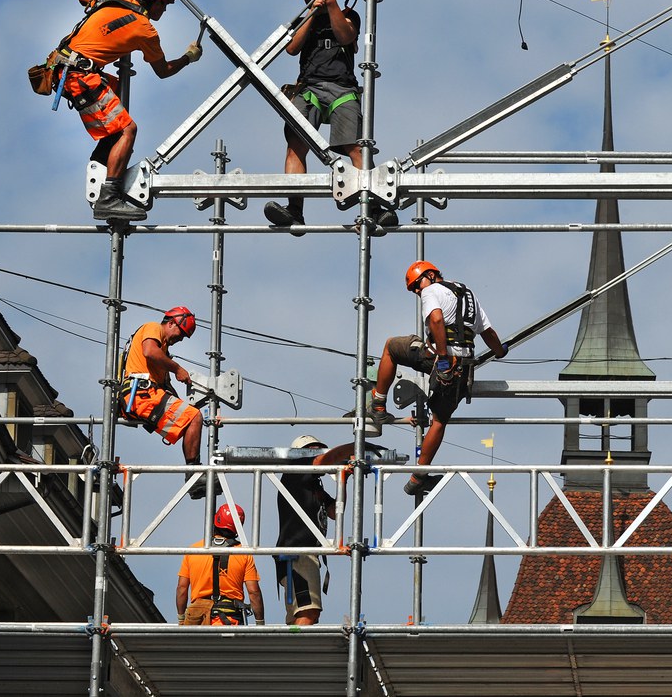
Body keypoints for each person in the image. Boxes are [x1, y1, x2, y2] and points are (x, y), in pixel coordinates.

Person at [50, 0, 202, 221]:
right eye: (164, 4)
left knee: (117, 91)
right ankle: (108, 197)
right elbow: (163, 71)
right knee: (128, 130)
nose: (163, 11)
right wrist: (189, 57)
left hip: (64, 67)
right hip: (79, 75)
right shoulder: (144, 29)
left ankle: (105, 160)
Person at [263, 0, 395, 235]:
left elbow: (346, 36)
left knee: (355, 148)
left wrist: (331, 2)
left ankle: (375, 207)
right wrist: (313, 12)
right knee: (295, 146)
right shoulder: (303, 19)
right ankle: (295, 210)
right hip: (309, 87)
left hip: (341, 88)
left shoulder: (347, 15)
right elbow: (292, 48)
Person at [370, 261, 507, 495]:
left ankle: (378, 405)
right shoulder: (468, 295)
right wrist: (499, 351)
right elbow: (487, 332)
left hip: (440, 359)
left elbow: (435, 319)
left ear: (431, 275)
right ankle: (418, 477)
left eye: (416, 284)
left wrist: (443, 357)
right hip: (462, 369)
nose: (416, 291)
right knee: (440, 421)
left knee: (391, 347)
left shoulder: (431, 290)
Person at [119, 306, 211, 498]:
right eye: (181, 333)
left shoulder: (163, 353)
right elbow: (149, 351)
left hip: (145, 395)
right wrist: (177, 368)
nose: (181, 339)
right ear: (170, 323)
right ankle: (194, 475)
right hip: (141, 395)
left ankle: (195, 476)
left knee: (192, 417)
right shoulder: (153, 328)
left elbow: (167, 390)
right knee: (194, 417)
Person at [275, 434, 356, 625]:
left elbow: (335, 512)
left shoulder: (313, 485)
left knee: (303, 613)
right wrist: (354, 446)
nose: (320, 454)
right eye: (315, 450)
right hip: (297, 553)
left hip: (302, 555)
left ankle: (294, 649)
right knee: (308, 613)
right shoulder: (296, 469)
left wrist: (343, 479)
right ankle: (298, 653)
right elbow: (324, 460)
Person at [176, 503, 265, 626]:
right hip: (229, 620)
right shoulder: (243, 553)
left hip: (197, 621)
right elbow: (253, 592)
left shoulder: (194, 550)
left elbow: (182, 588)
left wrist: (181, 619)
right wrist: (260, 623)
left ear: (216, 520)